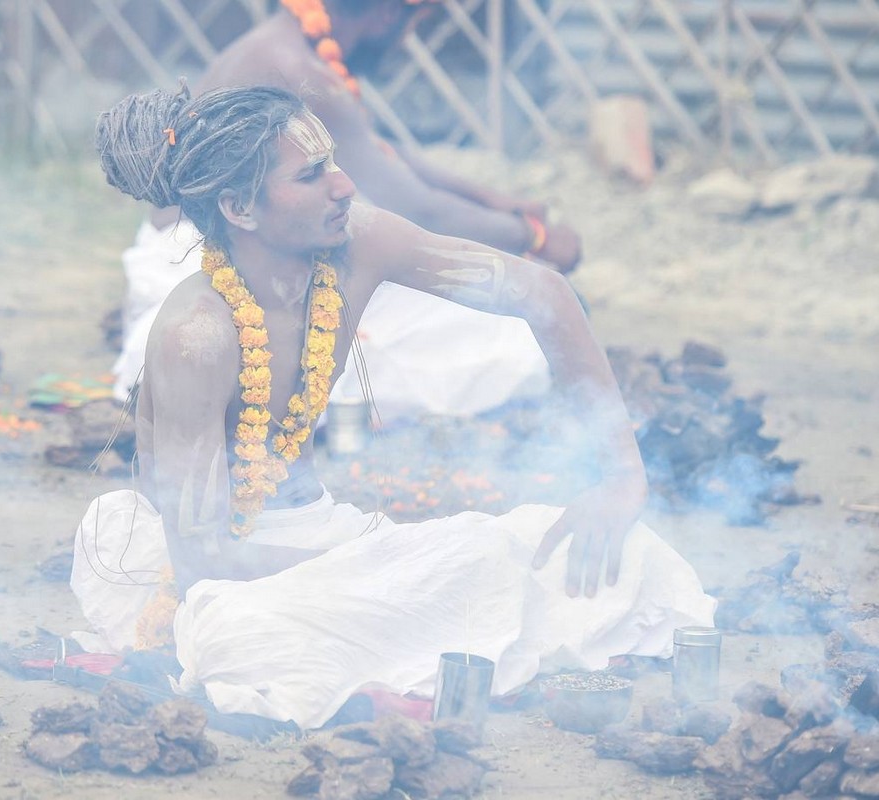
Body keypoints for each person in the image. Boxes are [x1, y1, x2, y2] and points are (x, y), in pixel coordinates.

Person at [73, 84, 713, 730]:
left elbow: (543, 293)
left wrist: (621, 475)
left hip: (333, 543)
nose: (345, 186)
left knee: (624, 561)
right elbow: (203, 565)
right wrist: (382, 569)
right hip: (229, 578)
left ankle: (414, 615)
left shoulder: (358, 242)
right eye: (313, 174)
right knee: (238, 639)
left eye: (334, 165)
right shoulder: (198, 335)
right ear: (240, 208)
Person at [111, 0, 582, 420]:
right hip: (210, 254)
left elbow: (378, 148)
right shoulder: (298, 69)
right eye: (413, 24)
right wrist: (533, 236)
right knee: (497, 336)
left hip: (217, 239)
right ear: (384, 12)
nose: (405, 42)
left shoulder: (286, 37)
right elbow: (421, 208)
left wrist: (497, 203)